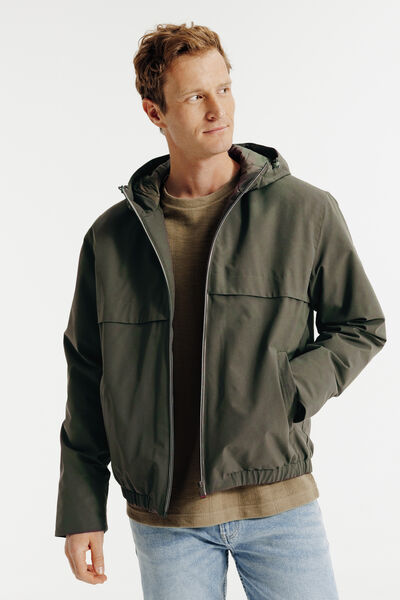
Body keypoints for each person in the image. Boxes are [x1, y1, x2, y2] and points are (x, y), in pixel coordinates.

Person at [54, 21, 387, 599]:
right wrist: (82, 507)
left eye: (225, 88)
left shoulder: (305, 211)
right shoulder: (112, 239)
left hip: (279, 505)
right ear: (154, 112)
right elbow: (87, 372)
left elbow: (361, 325)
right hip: (167, 521)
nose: (218, 109)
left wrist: (288, 389)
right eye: (194, 96)